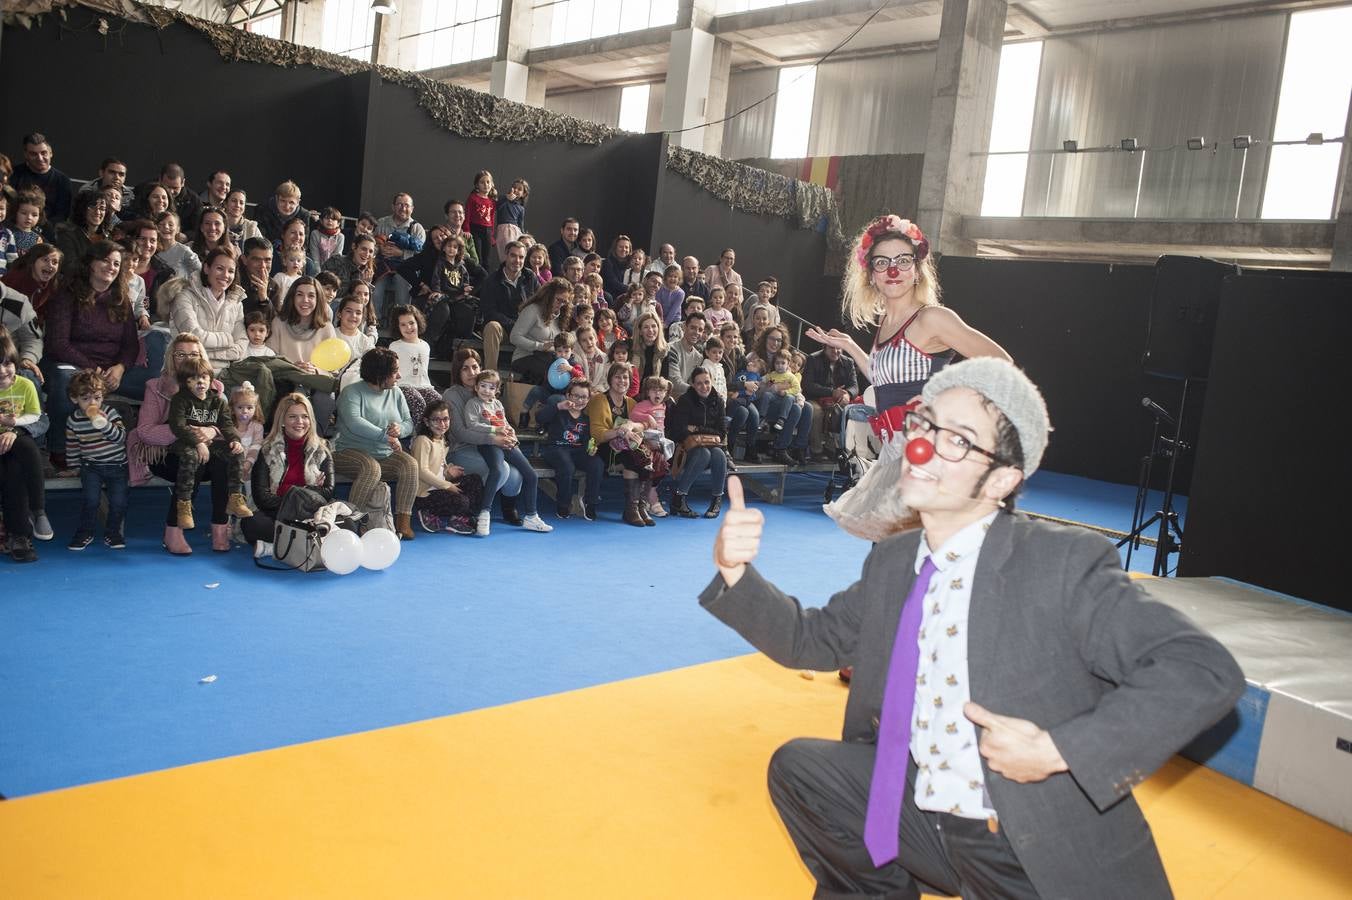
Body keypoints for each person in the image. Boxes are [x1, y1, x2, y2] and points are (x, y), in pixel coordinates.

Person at [703, 356, 1245, 900]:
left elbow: (1201, 668)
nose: (921, 448)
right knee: (803, 770)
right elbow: (810, 639)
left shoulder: (1059, 562)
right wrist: (735, 572)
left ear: (1002, 479)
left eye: (957, 440)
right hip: (928, 815)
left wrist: (1060, 750)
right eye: (924, 425)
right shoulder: (895, 560)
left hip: (1025, 842)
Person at [807, 215, 1009, 541]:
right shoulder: (885, 325)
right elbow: (884, 381)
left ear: (917, 269)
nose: (893, 270)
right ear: (871, 274)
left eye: (903, 260)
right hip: (894, 453)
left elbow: (1001, 363)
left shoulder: (932, 318)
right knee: (892, 553)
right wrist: (850, 347)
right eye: (882, 262)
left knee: (910, 553)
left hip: (928, 456)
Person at [41, 241, 155, 469]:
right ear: (91, 264)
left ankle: (150, 451)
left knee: (156, 383)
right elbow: (58, 344)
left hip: (111, 372)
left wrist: (120, 368)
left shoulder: (121, 298)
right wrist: (94, 370)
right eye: (105, 260)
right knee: (64, 380)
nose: (111, 267)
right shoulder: (67, 295)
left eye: (116, 264)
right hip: (72, 365)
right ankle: (59, 451)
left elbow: (130, 345)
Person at [332, 346, 419, 541]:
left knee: (410, 464)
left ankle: (403, 524)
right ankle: (352, 522)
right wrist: (385, 436)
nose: (399, 376)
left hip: (383, 454)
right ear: (380, 373)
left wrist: (399, 430)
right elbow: (354, 423)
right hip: (347, 452)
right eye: (394, 371)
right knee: (371, 468)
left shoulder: (396, 393)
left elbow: (408, 423)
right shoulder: (351, 392)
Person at [440, 348, 527, 535]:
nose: (471, 372)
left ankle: (508, 509)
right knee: (503, 469)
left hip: (489, 446)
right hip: (461, 449)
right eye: (465, 368)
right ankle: (470, 512)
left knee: (516, 472)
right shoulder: (451, 395)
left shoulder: (488, 390)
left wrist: (510, 436)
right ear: (457, 371)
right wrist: (494, 439)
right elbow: (460, 433)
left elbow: (500, 421)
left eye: (475, 367)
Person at [240, 392, 335, 559]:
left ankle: (275, 548)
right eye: (292, 417)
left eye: (304, 416)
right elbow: (262, 498)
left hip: (312, 514)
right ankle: (310, 543)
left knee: (347, 522)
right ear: (282, 420)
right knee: (252, 523)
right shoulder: (267, 450)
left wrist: (292, 493)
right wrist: (306, 492)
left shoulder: (322, 449)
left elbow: (328, 491)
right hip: (278, 515)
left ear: (311, 420)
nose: (300, 422)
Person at [167, 355, 252, 530]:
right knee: (191, 456)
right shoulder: (180, 399)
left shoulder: (218, 401)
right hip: (185, 443)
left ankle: (235, 498)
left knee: (237, 451)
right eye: (193, 379)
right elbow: (178, 427)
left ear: (210, 379)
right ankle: (183, 505)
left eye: (204, 377)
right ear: (185, 382)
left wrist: (234, 440)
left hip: (210, 444)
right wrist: (198, 443)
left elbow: (227, 425)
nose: (200, 382)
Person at [462, 369, 552, 533]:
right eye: (483, 386)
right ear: (476, 387)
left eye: (491, 387)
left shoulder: (497, 404)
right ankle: (484, 513)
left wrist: (513, 436)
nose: (486, 390)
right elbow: (472, 425)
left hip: (506, 442)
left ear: (497, 390)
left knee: (531, 475)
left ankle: (531, 516)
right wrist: (495, 430)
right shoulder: (473, 404)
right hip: (489, 444)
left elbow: (505, 423)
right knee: (497, 470)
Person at [63, 369, 129, 550]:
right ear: (74, 399)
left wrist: (105, 424)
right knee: (90, 501)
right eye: (86, 399)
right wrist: (74, 467)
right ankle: (85, 532)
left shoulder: (110, 413)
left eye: (97, 398)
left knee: (119, 502)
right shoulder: (73, 420)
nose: (93, 403)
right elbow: (72, 445)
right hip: (91, 466)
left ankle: (113, 533)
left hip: (117, 465)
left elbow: (121, 438)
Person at [0, 334, 49, 560]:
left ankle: (29, 523)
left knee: (19, 461)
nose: (2, 371)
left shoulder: (26, 383)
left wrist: (15, 430)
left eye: (7, 364)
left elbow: (40, 420)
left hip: (16, 443)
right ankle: (18, 531)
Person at [586, 362, 652, 527]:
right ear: (610, 379)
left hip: (625, 448)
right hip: (602, 447)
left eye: (625, 377)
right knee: (636, 457)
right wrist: (620, 431)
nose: (622, 381)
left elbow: (645, 425)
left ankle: (639, 506)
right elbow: (597, 434)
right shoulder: (599, 400)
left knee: (649, 455)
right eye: (618, 377)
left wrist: (630, 425)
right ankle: (632, 509)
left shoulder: (631, 402)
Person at [409, 399, 482, 535]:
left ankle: (457, 518)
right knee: (462, 502)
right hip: (425, 493)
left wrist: (448, 471)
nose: (442, 424)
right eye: (436, 420)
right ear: (426, 422)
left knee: (475, 480)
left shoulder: (443, 439)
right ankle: (427, 511)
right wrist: (447, 486)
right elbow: (422, 471)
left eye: (445, 419)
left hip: (439, 486)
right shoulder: (422, 441)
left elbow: (438, 465)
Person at [535, 378, 604, 521]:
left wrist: (591, 448)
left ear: (588, 399)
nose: (580, 400)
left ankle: (590, 502)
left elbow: (587, 440)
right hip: (556, 449)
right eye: (576, 396)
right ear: (568, 395)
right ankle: (563, 504)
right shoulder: (559, 411)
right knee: (567, 467)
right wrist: (558, 406)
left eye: (584, 397)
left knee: (597, 464)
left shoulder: (586, 419)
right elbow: (540, 417)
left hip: (577, 451)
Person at [665, 366, 728, 518]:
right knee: (703, 453)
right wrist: (704, 433)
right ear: (693, 384)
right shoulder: (685, 400)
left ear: (712, 381)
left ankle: (717, 499)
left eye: (707, 382)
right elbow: (679, 431)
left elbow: (721, 432)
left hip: (711, 447)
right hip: (686, 448)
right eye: (699, 383)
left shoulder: (718, 401)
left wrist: (697, 429)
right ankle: (679, 497)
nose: (704, 386)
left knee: (719, 454)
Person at [479, 240, 538, 370]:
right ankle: (490, 375)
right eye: (513, 256)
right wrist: (512, 324)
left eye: (521, 257)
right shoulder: (492, 280)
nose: (517, 260)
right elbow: (489, 312)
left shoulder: (530, 277)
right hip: (504, 329)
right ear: (506, 255)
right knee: (492, 327)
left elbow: (540, 304)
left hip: (525, 329)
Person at [509, 277, 571, 385]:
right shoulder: (532, 310)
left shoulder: (561, 317)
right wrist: (540, 346)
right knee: (553, 370)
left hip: (550, 357)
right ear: (549, 296)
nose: (561, 305)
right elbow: (514, 337)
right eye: (558, 300)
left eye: (564, 302)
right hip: (525, 357)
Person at [374, 193, 425, 323]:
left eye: (407, 205)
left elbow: (421, 256)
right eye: (400, 204)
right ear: (393, 206)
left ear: (412, 208)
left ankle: (400, 324)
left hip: (405, 270)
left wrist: (401, 253)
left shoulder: (417, 228)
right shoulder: (381, 223)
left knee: (403, 290)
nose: (403, 208)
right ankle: (374, 322)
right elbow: (370, 244)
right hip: (383, 266)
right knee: (375, 289)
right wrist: (380, 249)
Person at [802, 344, 860, 459]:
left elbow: (854, 386)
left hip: (837, 400)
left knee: (843, 409)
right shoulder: (813, 359)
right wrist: (832, 392)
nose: (835, 351)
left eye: (838, 348)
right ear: (824, 347)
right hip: (815, 398)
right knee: (816, 412)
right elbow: (808, 385)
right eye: (831, 348)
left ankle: (833, 448)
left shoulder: (849, 362)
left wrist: (848, 394)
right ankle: (816, 450)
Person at [388, 304, 440, 429]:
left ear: (418, 322)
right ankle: (419, 435)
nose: (408, 327)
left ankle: (436, 435)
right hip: (402, 386)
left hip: (424, 386)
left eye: (411, 323)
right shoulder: (395, 346)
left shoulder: (425, 345)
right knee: (418, 402)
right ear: (397, 327)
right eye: (403, 324)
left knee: (439, 402)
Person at [10, 133, 72, 227]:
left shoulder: (63, 181)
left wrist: (40, 231)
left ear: (51, 153)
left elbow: (61, 216)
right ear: (26, 155)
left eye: (44, 153)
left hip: (47, 232)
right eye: (33, 154)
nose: (40, 158)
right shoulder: (13, 174)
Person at [52, 192, 109, 275]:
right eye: (92, 207)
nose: (97, 212)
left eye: (102, 208)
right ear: (82, 209)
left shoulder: (107, 237)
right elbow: (68, 267)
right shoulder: (67, 235)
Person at [664, 310, 708, 397]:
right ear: (684, 327)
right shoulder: (671, 349)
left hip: (687, 399)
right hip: (667, 399)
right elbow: (674, 382)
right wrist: (699, 391)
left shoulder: (699, 357)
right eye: (693, 328)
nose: (696, 332)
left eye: (700, 330)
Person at [322, 232, 375, 297]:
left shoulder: (366, 272)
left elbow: (365, 300)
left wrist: (366, 285)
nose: (367, 254)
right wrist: (359, 285)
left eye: (371, 251)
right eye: (364, 249)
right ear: (354, 246)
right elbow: (327, 292)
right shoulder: (336, 262)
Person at [465, 170, 497, 265]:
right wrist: (466, 229)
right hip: (476, 229)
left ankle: (486, 274)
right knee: (478, 256)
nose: (485, 185)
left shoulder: (492, 201)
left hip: (487, 231)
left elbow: (492, 218)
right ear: (477, 185)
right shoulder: (473, 198)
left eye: (488, 182)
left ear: (491, 184)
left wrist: (491, 235)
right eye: (482, 182)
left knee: (487, 258)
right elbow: (467, 214)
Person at [494, 178, 528, 261]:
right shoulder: (504, 200)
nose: (516, 190)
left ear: (523, 194)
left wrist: (523, 235)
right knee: (505, 253)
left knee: (514, 251)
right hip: (504, 229)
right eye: (514, 187)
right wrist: (506, 198)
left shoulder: (521, 208)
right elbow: (495, 205)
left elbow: (520, 224)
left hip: (515, 231)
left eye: (519, 189)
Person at [600, 234, 632, 299]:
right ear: (615, 248)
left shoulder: (631, 264)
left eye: (626, 247)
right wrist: (632, 289)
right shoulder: (607, 263)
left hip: (629, 295)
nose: (624, 249)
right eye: (621, 247)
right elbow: (613, 283)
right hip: (611, 296)